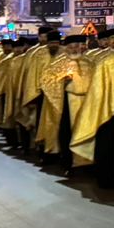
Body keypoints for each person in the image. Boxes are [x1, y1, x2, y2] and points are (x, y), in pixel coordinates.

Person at [71, 29, 114, 182]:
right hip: (108, 109)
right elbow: (100, 86)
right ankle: (106, 177)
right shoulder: (108, 62)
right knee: (107, 144)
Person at [36, 34, 89, 167]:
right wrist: (62, 82)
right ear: (66, 48)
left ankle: (84, 161)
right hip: (64, 104)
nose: (74, 50)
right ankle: (66, 161)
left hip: (85, 104)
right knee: (65, 133)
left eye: (77, 46)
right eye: (71, 47)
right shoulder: (59, 63)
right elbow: (46, 80)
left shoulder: (89, 62)